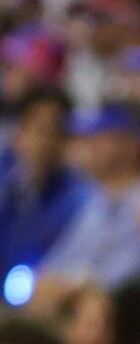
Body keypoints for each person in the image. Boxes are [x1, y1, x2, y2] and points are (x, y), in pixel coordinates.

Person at [38, 105, 140, 299]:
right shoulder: (89, 198)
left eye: (102, 137)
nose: (91, 146)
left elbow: (132, 274)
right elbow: (57, 262)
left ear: (133, 144)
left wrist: (76, 287)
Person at [0, 88, 93, 275]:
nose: (43, 143)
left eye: (54, 132)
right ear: (19, 134)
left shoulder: (81, 198)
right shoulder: (7, 185)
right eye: (37, 130)